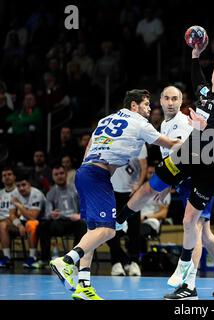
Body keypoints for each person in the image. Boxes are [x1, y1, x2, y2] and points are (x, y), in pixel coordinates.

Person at [116, 42, 214, 300]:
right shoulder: (205, 91)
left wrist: (205, 127)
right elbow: (197, 78)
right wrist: (196, 55)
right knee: (163, 193)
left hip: (211, 163)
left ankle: (189, 286)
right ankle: (119, 219)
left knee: (193, 225)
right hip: (190, 154)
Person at [49, 89, 180, 300]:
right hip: (98, 176)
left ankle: (83, 285)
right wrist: (198, 144)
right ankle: (66, 261)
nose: (149, 108)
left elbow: (90, 145)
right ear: (134, 106)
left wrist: (87, 172)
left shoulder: (105, 120)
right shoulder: (139, 122)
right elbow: (171, 144)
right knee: (108, 230)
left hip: (84, 172)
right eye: (146, 104)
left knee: (92, 231)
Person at [158, 85, 214, 297]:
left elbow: (189, 155)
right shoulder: (164, 123)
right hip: (185, 182)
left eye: (175, 98)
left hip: (196, 181)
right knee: (204, 234)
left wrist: (167, 183)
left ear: (181, 101)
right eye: (166, 98)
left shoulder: (182, 122)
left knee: (194, 229)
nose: (170, 102)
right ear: (160, 101)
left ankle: (189, 286)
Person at [108, 142, 148, 277]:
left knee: (134, 229)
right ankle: (116, 263)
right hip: (113, 191)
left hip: (132, 193)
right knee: (112, 230)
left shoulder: (140, 142)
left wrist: (139, 184)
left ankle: (134, 262)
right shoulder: (113, 139)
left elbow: (144, 166)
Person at [39, 165, 86, 266]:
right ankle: (44, 259)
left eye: (61, 173)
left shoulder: (76, 189)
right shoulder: (51, 193)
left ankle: (74, 259)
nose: (59, 176)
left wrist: (80, 215)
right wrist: (52, 214)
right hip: (59, 222)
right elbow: (47, 213)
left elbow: (85, 208)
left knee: (83, 225)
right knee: (43, 226)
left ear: (66, 174)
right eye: (56, 174)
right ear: (53, 177)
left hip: (74, 221)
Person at [10, 174, 46, 268]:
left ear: (29, 184)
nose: (21, 188)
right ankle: (7, 256)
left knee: (31, 224)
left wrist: (19, 205)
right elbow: (11, 215)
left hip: (43, 220)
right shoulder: (15, 194)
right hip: (24, 220)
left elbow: (33, 217)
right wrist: (19, 225)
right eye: (18, 186)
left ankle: (32, 256)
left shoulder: (36, 194)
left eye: (23, 184)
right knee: (3, 225)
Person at [0, 167, 20, 268]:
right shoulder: (0, 193)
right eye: (4, 175)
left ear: (14, 177)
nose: (7, 177)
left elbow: (20, 212)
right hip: (2, 220)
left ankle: (7, 257)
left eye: (9, 174)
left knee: (2, 225)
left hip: (15, 222)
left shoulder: (19, 191)